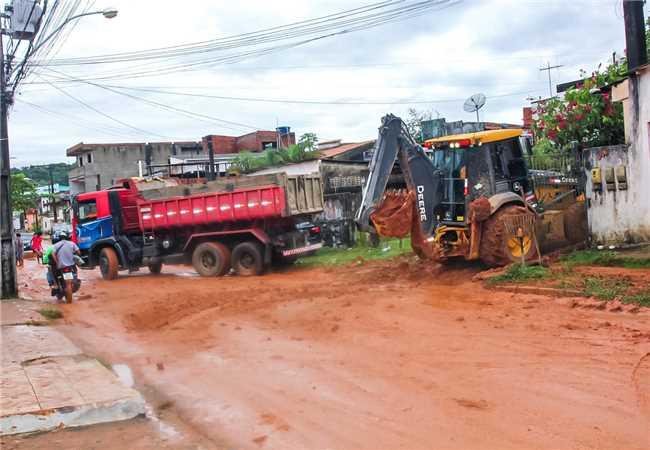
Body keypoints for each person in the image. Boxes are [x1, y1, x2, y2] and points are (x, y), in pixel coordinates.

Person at [51, 231, 80, 303]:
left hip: (61, 266)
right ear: (67, 237)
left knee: (57, 277)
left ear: (59, 238)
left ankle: (57, 286)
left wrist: (57, 262)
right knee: (75, 273)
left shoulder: (56, 245)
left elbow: (52, 254)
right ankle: (75, 279)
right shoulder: (72, 244)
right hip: (71, 266)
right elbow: (78, 252)